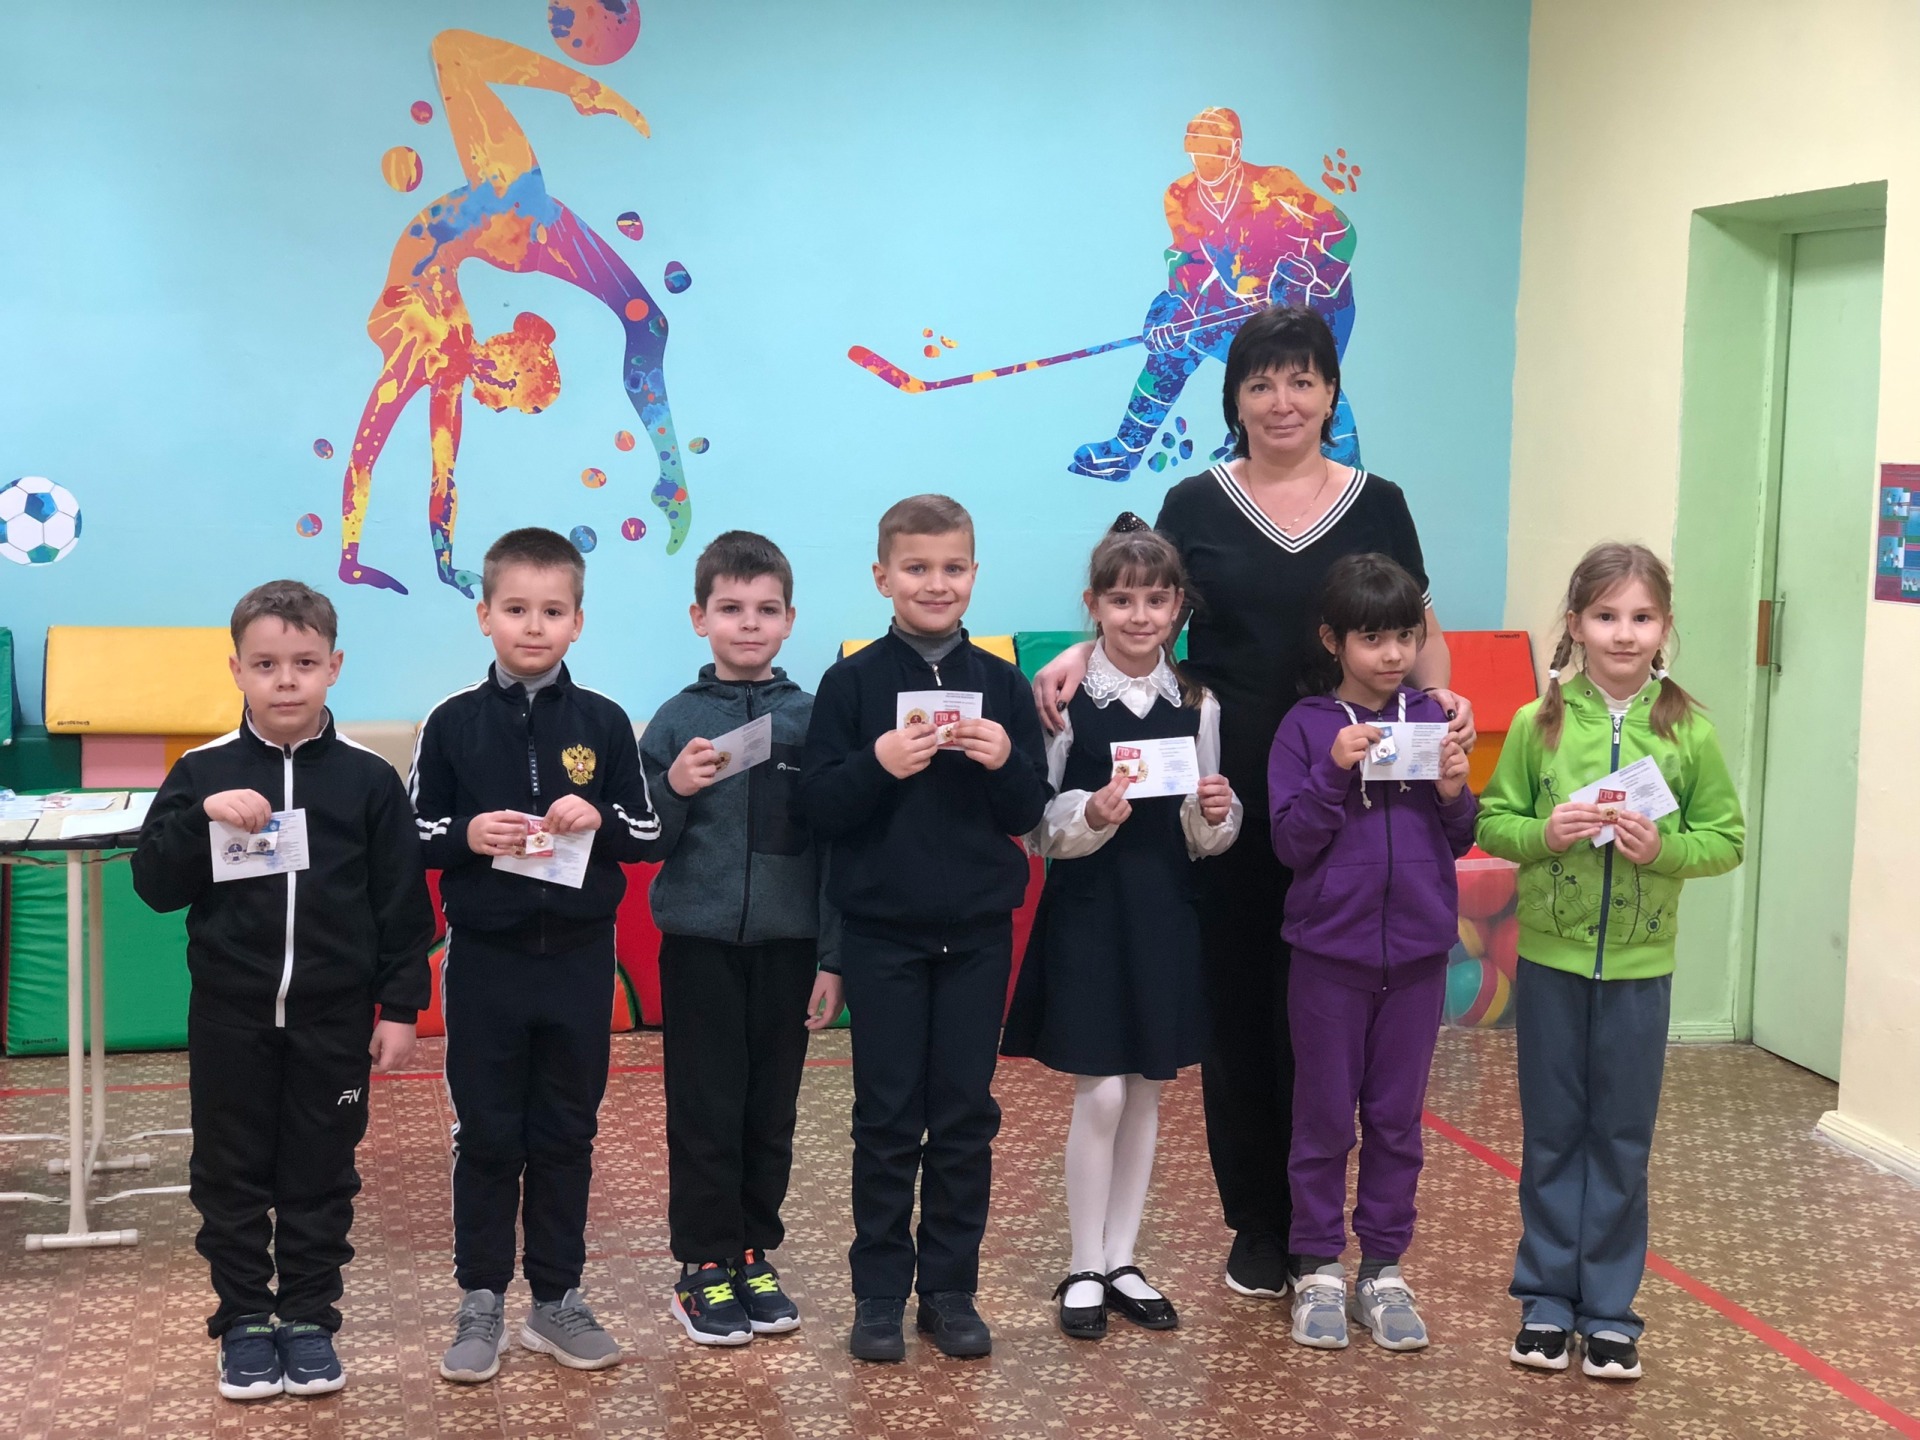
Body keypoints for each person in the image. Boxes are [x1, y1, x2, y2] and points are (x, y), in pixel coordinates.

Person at [1034, 305, 1474, 1302]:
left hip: (1356, 798)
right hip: (1231, 796)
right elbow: (1141, 603)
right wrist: (1079, 651)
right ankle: (1263, 1226)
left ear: (1331, 392)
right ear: (1234, 397)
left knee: (1333, 1025)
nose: (1283, 401)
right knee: (1243, 1014)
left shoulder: (1379, 502)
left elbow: (1420, 626)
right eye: (1261, 382)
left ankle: (1337, 1231)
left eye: (1303, 380)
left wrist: (1441, 707)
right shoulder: (1194, 500)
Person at [131, 581, 433, 1402]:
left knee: (321, 1172)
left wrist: (400, 1008)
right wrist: (200, 822)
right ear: (237, 670)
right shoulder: (202, 771)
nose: (286, 680)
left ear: (335, 666)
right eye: (266, 664)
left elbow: (402, 906)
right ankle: (242, 1319)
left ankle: (306, 1317)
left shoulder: (369, 780)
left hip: (334, 1020)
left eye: (304, 662)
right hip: (229, 1017)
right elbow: (153, 885)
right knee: (228, 1173)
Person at [1477, 542, 1744, 1382]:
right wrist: (1542, 833)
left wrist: (1665, 849)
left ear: (1664, 627)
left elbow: (1725, 839)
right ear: (1576, 624)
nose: (1624, 634)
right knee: (1554, 1133)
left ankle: (1611, 1314)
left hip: (1640, 972)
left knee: (1622, 1140)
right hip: (1551, 966)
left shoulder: (1688, 730)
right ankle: (1547, 1304)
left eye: (1641, 617)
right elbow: (1493, 822)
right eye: (1605, 616)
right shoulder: (1539, 723)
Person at [799, 494, 1052, 1363]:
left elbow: (1027, 810)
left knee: (965, 1116)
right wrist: (877, 763)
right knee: (885, 1116)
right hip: (884, 935)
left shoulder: (1003, 684)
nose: (935, 584)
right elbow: (820, 809)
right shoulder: (851, 683)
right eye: (916, 568)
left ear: (974, 575)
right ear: (883, 578)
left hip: (978, 933)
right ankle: (879, 1294)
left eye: (951, 568)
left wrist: (1004, 761)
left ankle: (950, 1290)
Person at [409, 527, 665, 1381]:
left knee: (566, 1131)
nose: (533, 626)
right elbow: (412, 833)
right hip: (487, 962)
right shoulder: (451, 723)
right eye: (516, 609)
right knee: (487, 1133)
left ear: (577, 623)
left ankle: (556, 1300)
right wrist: (469, 835)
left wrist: (598, 818)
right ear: (485, 615)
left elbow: (647, 831)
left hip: (580, 962)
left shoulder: (605, 722)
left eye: (552, 611)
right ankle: (481, 1298)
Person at [339, 29, 691, 597]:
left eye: (506, 402)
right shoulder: (441, 348)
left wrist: (423, 561)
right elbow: (394, 461)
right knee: (647, 322)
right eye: (510, 394)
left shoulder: (439, 358)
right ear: (512, 354)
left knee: (647, 322)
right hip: (513, 216)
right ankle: (670, 475)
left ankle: (669, 476)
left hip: (507, 224)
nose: (496, 404)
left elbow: (418, 469)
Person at [1001, 517, 1241, 1342]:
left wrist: (1218, 811)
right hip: (1091, 913)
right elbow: (1038, 824)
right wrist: (1091, 815)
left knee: (1145, 1090)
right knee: (1100, 1091)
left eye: (1157, 601)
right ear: (1094, 605)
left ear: (1178, 608)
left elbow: (1208, 832)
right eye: (1122, 600)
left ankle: (1123, 1258)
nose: (1140, 616)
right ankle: (1082, 1263)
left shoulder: (1198, 703)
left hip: (1166, 911)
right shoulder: (1064, 701)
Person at [638, 530, 844, 1346]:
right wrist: (674, 786)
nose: (749, 624)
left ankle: (753, 1250)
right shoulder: (676, 721)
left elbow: (834, 846)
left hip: (789, 948)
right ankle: (702, 1263)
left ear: (790, 620)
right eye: (730, 609)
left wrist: (832, 957)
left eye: (766, 609)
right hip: (698, 946)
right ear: (700, 619)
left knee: (770, 1111)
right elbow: (645, 839)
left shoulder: (814, 720)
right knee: (704, 1107)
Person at [1267, 554, 1477, 1352]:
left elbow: (1460, 837)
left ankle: (1383, 1270)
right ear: (1334, 641)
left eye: (1405, 637)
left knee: (1396, 1122)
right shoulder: (1305, 727)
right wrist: (1333, 771)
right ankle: (1318, 1266)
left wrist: (1454, 790)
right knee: (1324, 1119)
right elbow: (1291, 843)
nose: (1392, 655)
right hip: (1328, 959)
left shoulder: (1433, 718)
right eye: (1372, 638)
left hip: (1418, 958)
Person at [1070, 107, 1360, 479]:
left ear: (1235, 149)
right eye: (1198, 153)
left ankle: (1348, 474)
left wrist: (1307, 277)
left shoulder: (1274, 184)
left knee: (1298, 370)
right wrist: (1173, 310)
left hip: (1315, 305)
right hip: (1245, 300)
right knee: (1177, 343)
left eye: (1215, 152)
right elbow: (1188, 262)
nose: (1206, 164)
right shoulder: (1180, 195)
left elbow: (1341, 234)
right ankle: (1125, 452)